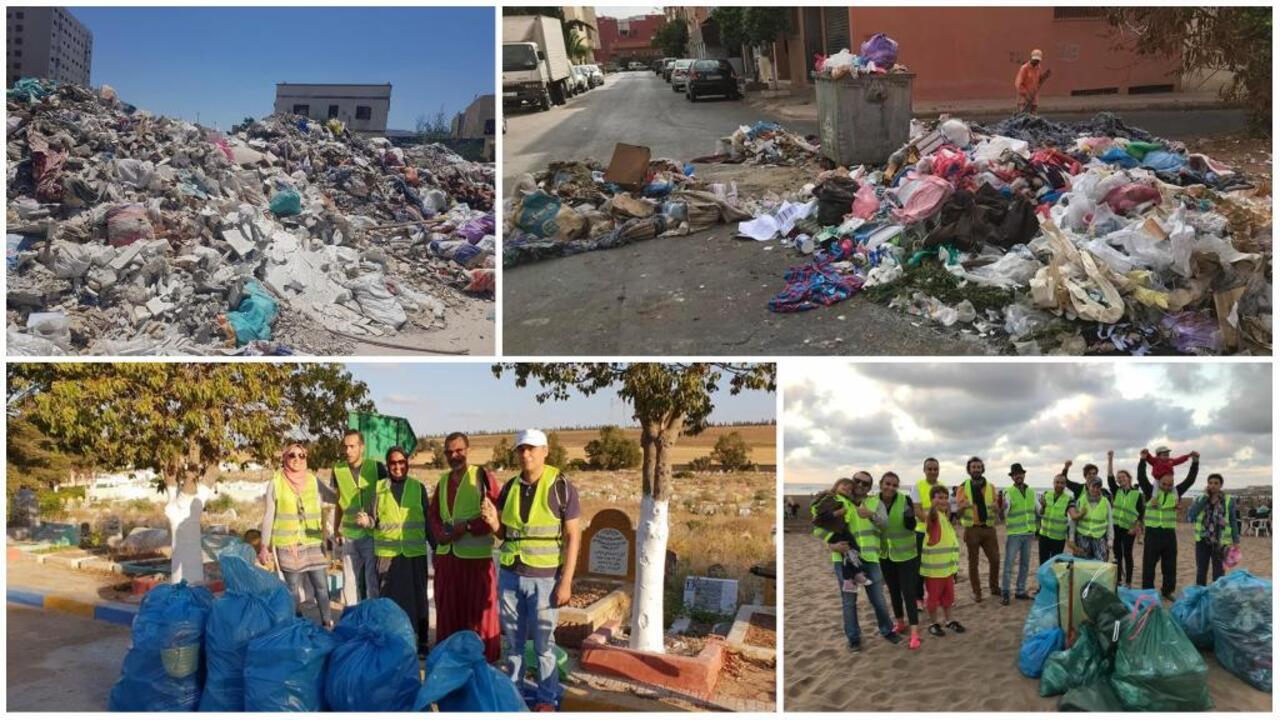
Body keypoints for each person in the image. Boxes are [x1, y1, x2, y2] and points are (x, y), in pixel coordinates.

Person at [483, 429, 582, 712]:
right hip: (511, 576)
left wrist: (566, 582)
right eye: (521, 449)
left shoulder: (561, 487)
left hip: (545, 580)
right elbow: (505, 534)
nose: (525, 454)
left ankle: (546, 700)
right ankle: (513, 695)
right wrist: (493, 522)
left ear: (545, 451)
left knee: (543, 646)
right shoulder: (510, 487)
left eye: (531, 448)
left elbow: (574, 536)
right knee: (513, 645)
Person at [429, 432, 502, 662]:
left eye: (459, 450)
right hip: (447, 560)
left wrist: (468, 526)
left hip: (476, 562)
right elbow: (434, 514)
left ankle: (482, 663)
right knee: (448, 615)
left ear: (468, 450)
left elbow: (495, 514)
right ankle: (449, 661)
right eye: (449, 452)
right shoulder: (443, 482)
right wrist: (440, 534)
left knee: (479, 618)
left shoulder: (482, 477)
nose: (454, 456)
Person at [259, 442, 336, 629]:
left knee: (321, 586)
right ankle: (295, 625)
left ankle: (327, 622)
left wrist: (345, 486)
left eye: (301, 455)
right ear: (284, 458)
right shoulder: (276, 483)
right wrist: (264, 546)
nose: (297, 459)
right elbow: (269, 515)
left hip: (313, 543)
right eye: (292, 455)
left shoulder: (313, 480)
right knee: (292, 589)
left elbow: (333, 497)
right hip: (288, 544)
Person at [826, 472, 902, 650]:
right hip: (844, 560)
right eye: (857, 481)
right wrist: (831, 545)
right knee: (849, 601)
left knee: (878, 599)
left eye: (865, 483)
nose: (860, 485)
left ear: (870, 487)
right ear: (851, 482)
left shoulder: (875, 502)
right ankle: (854, 639)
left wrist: (871, 515)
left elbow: (885, 524)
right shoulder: (838, 501)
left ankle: (887, 631)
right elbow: (822, 526)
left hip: (870, 558)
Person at [373, 446, 431, 654]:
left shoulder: (418, 488)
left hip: (414, 554)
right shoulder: (378, 488)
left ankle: (422, 641)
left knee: (418, 599)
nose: (397, 467)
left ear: (407, 464)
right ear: (387, 465)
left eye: (401, 462)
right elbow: (373, 518)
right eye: (393, 463)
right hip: (387, 555)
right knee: (388, 601)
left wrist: (438, 549)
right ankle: (390, 641)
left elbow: (428, 521)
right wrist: (366, 521)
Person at [331, 430, 385, 606]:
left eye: (352, 446)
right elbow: (339, 502)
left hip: (371, 534)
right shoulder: (338, 470)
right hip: (349, 536)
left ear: (362, 447)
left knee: (371, 582)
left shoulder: (376, 468)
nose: (348, 451)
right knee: (349, 582)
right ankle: (352, 616)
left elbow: (386, 499)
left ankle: (372, 616)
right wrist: (336, 529)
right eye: (345, 446)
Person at [1138, 448, 1199, 600]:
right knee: (1149, 565)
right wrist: (1143, 460)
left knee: (1170, 565)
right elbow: (1141, 477)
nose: (1167, 487)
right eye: (1164, 484)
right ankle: (1148, 591)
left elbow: (1190, 480)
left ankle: (1167, 591)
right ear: (1159, 481)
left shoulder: (1176, 492)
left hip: (1169, 534)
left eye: (1170, 484)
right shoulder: (1150, 491)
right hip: (1152, 533)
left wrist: (1195, 462)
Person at [878, 472, 922, 649]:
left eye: (894, 485)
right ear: (881, 484)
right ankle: (900, 622)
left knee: (909, 593)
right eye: (887, 484)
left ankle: (914, 633)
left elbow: (911, 526)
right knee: (893, 591)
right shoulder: (873, 502)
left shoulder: (905, 500)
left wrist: (909, 517)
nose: (891, 487)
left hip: (906, 555)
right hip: (885, 555)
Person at [921, 484, 965, 637]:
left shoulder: (944, 518)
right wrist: (934, 506)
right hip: (934, 571)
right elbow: (932, 515)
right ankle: (933, 623)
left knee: (948, 597)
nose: (943, 500)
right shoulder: (933, 517)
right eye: (939, 497)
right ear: (932, 500)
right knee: (933, 599)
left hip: (947, 569)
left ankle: (949, 620)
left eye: (946, 498)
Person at [956, 457, 1001, 603]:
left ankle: (994, 587)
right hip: (972, 530)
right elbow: (958, 513)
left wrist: (997, 508)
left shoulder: (991, 487)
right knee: (973, 563)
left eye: (978, 467)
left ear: (982, 469)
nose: (976, 469)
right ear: (969, 470)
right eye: (973, 467)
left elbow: (997, 509)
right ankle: (977, 592)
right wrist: (963, 507)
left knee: (995, 560)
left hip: (989, 529)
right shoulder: (963, 487)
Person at [810, 488, 871, 591]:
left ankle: (856, 575)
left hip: (842, 529)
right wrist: (837, 513)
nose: (847, 488)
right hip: (836, 532)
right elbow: (818, 519)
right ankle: (851, 579)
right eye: (844, 485)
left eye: (849, 487)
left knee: (851, 552)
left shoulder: (847, 501)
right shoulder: (831, 498)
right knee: (849, 552)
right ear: (836, 487)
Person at [1188, 473, 1240, 585]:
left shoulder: (1228, 500)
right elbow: (1190, 517)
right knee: (1201, 570)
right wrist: (1204, 498)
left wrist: (1236, 541)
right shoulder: (1200, 498)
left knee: (1219, 572)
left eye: (1216, 483)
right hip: (1202, 540)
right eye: (1210, 483)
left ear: (1221, 485)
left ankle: (1216, 593)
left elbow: (1233, 521)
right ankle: (1200, 592)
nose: (1213, 485)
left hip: (1220, 541)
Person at [1106, 450, 1145, 587]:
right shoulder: (1116, 491)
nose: (1120, 479)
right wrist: (1110, 459)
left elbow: (1141, 514)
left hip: (1129, 529)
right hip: (1116, 527)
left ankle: (1128, 582)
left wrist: (1135, 528)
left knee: (1127, 554)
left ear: (1129, 478)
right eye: (1119, 478)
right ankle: (1118, 580)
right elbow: (1110, 476)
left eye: (1123, 476)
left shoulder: (1137, 494)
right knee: (1117, 555)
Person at [1001, 464, 1036, 605]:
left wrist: (1044, 507)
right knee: (1009, 564)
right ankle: (1005, 593)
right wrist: (1003, 508)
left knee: (1025, 564)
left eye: (1020, 473)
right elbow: (1005, 509)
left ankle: (1020, 591)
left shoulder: (1032, 492)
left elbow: (1039, 510)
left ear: (1024, 475)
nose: (1018, 476)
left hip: (1028, 533)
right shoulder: (1008, 492)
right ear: (1012, 477)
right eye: (1015, 474)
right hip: (1014, 534)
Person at [912, 458, 944, 606]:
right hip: (922, 532)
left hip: (939, 533)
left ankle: (936, 595)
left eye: (935, 469)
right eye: (929, 469)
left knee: (937, 566)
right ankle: (918, 598)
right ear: (924, 470)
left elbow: (944, 509)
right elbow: (917, 510)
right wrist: (931, 524)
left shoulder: (942, 486)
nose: (932, 471)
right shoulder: (918, 486)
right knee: (920, 566)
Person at [1068, 477, 1113, 561]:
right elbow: (1074, 521)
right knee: (1082, 563)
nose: (1095, 489)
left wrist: (1110, 539)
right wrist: (1071, 537)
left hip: (1099, 538)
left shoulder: (1105, 502)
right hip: (1082, 538)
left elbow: (1110, 522)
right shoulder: (1081, 500)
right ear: (1088, 486)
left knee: (1101, 563)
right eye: (1093, 486)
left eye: (1098, 487)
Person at [1037, 474, 1072, 565]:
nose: (1059, 485)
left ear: (1065, 485)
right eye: (1057, 482)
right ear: (1053, 483)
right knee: (1043, 563)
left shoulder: (1069, 499)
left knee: (1055, 565)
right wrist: (1043, 507)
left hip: (1058, 539)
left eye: (1062, 483)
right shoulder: (1046, 494)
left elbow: (1072, 519)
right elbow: (1041, 513)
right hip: (1044, 536)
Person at [1014, 48, 1051, 114]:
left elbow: (1039, 80)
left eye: (1038, 61)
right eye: (1035, 60)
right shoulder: (1024, 68)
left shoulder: (1038, 67)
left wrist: (1045, 76)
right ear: (1031, 58)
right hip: (1024, 99)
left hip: (1033, 98)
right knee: (1023, 116)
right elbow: (1018, 84)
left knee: (1033, 116)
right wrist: (1026, 94)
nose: (1036, 62)